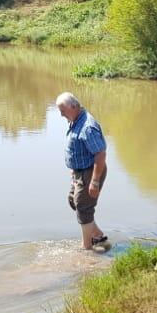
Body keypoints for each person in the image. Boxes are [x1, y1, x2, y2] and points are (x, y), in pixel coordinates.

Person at [57, 92, 110, 250]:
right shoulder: (76, 119)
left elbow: (100, 154)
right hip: (80, 172)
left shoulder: (87, 126)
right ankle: (100, 238)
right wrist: (74, 171)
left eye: (63, 111)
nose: (61, 115)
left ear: (74, 107)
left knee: (84, 208)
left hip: (91, 171)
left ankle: (86, 248)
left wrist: (94, 181)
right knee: (74, 202)